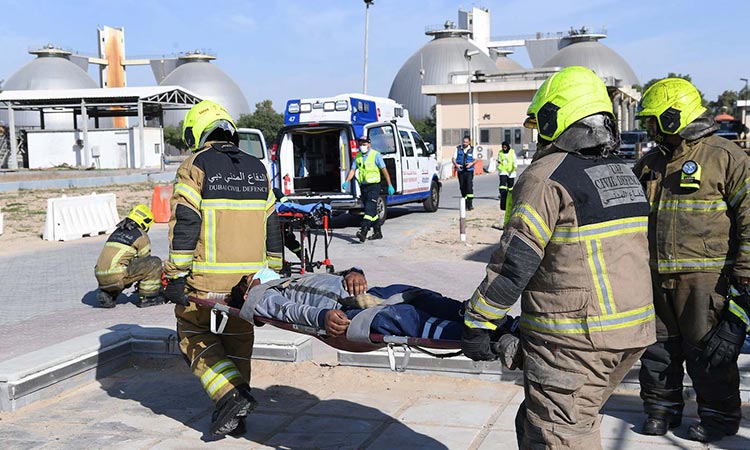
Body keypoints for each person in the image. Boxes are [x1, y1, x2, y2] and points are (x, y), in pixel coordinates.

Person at [460, 66, 655, 449]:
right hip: (631, 332)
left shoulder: (545, 177)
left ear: (555, 118)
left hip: (576, 340)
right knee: (539, 421)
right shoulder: (624, 173)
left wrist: (477, 321)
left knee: (559, 435)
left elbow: (515, 261)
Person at [633, 78, 750, 443]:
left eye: (654, 121)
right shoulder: (650, 164)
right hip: (654, 277)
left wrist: (745, 276)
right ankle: (660, 410)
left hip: (706, 278)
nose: (650, 129)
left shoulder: (726, 158)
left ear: (674, 117)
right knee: (657, 352)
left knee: (709, 353)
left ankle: (718, 418)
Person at [162, 100, 283, 437]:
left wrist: (175, 275)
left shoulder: (195, 165)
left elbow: (186, 223)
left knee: (192, 333)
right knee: (238, 340)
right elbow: (273, 227)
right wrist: (270, 280)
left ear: (197, 131)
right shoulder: (258, 168)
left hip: (207, 280)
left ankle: (229, 396)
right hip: (249, 284)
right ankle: (237, 415)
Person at [230, 267, 467, 341]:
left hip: (366, 294)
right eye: (250, 277)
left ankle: (477, 317)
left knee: (414, 294)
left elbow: (331, 277)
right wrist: (321, 317)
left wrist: (354, 272)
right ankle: (469, 335)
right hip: (345, 313)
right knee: (400, 316)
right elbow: (288, 311)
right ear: (245, 292)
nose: (256, 273)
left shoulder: (288, 279)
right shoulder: (260, 296)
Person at [94, 204, 164, 308]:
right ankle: (148, 298)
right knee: (154, 263)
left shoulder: (117, 231)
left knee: (122, 264)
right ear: (146, 222)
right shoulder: (141, 235)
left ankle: (108, 294)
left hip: (100, 275)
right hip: (118, 276)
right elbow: (145, 260)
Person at [342, 136, 395, 242]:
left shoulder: (376, 155)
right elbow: (353, 170)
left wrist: (389, 184)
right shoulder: (358, 156)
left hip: (374, 186)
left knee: (368, 209)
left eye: (365, 144)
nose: (362, 146)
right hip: (364, 186)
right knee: (372, 211)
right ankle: (377, 232)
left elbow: (384, 170)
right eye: (361, 144)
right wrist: (347, 181)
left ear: (369, 144)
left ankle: (363, 230)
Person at [452, 136, 476, 210]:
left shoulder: (472, 149)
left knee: (469, 186)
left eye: (466, 142)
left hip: (469, 170)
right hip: (461, 170)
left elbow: (475, 159)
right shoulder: (458, 148)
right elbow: (453, 158)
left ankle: (470, 204)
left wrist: (471, 164)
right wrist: (456, 165)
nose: (464, 143)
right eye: (463, 142)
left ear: (469, 142)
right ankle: (465, 203)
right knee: (462, 187)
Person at [496, 141, 516, 212]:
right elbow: (498, 160)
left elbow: (514, 160)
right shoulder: (500, 152)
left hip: (511, 171)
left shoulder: (512, 152)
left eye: (505, 147)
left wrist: (515, 167)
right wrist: (499, 164)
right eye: (503, 147)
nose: (504, 148)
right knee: (502, 185)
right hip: (503, 170)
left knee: (510, 186)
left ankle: (509, 196)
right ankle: (502, 195)